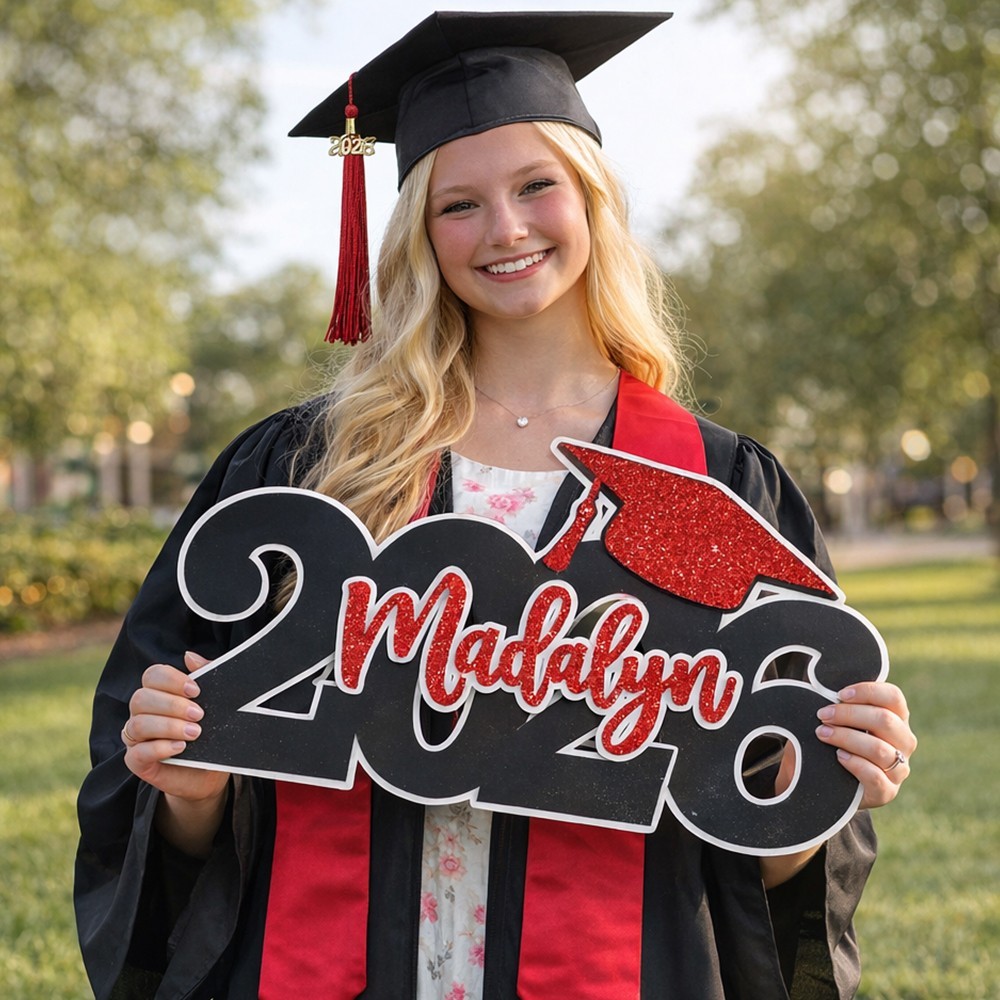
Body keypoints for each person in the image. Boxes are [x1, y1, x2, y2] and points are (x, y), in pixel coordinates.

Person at [75, 11, 917, 999]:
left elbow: (759, 874)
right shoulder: (304, 468)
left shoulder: (714, 482)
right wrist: (187, 788)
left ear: (592, 198)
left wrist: (824, 780)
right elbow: (180, 816)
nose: (506, 230)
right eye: (459, 204)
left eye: (535, 187)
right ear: (419, 234)